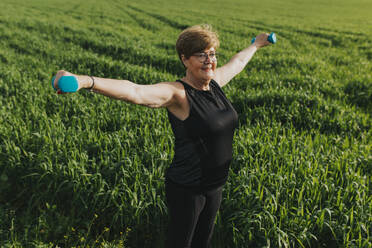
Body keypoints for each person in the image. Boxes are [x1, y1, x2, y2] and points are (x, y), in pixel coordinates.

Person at [52, 24, 271, 248]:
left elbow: (238, 62)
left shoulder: (214, 84)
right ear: (185, 59)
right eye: (200, 55)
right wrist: (84, 81)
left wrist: (256, 44)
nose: (208, 60)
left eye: (212, 54)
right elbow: (135, 92)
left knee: (202, 243)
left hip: (214, 186)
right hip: (188, 188)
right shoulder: (178, 94)